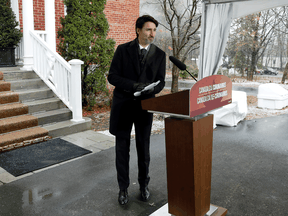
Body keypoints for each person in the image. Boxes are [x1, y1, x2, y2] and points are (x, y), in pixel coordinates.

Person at [107, 15, 166, 205]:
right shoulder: (123, 50)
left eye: (154, 30)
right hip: (123, 105)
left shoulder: (159, 54)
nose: (152, 34)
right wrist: (135, 86)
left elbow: (161, 81)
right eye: (149, 30)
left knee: (144, 148)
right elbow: (113, 77)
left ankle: (143, 185)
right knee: (122, 150)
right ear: (138, 30)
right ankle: (123, 188)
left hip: (145, 107)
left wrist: (152, 89)